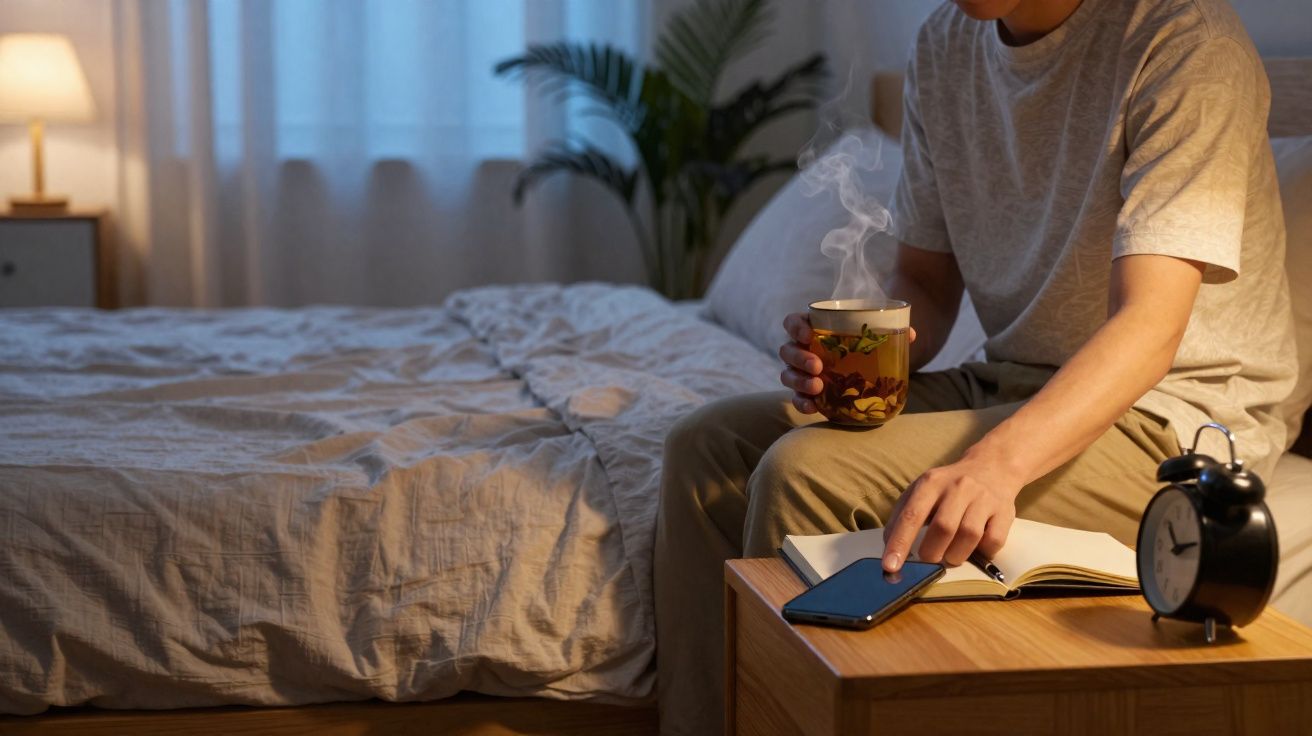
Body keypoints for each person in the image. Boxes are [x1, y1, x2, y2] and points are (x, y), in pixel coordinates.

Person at [653, 0, 1297, 733]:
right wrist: (864, 365)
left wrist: (996, 465)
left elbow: (1149, 328)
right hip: (1013, 378)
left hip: (1172, 421)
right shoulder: (945, 46)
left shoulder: (1182, 39)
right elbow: (924, 286)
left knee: (805, 471)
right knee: (705, 449)